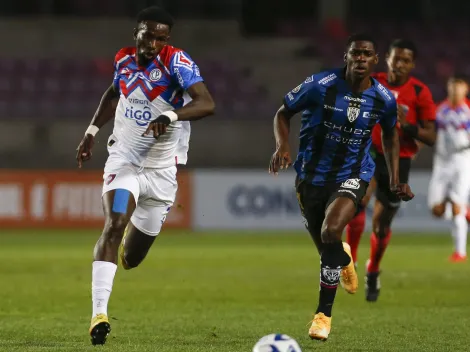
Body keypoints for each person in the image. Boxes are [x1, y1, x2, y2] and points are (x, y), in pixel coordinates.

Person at [75, 6, 215, 345]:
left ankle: (125, 241)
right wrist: (92, 131)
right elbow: (114, 93)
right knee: (114, 223)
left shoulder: (176, 62)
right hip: (124, 163)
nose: (153, 42)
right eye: (148, 35)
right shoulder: (123, 59)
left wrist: (170, 115)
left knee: (132, 258)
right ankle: (98, 314)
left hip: (162, 174)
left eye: (161, 38)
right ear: (137, 32)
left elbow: (206, 103)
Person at [269, 33, 414, 341]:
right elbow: (283, 112)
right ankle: (344, 258)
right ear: (347, 57)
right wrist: (282, 146)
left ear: (375, 61)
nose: (360, 58)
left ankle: (323, 316)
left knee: (331, 231)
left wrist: (394, 178)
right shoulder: (319, 85)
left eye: (366, 54)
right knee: (328, 251)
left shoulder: (383, 99)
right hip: (310, 177)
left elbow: (391, 135)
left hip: (354, 173)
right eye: (355, 53)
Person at [344, 39, 436, 302]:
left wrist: (407, 126)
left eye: (406, 60)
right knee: (358, 200)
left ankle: (373, 269)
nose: (400, 64)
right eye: (396, 58)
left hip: (399, 161)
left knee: (381, 227)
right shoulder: (373, 82)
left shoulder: (419, 91)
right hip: (369, 152)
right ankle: (351, 262)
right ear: (387, 58)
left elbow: (431, 137)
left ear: (412, 64)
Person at [428, 75, 470, 262]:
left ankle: (459, 252)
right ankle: (465, 210)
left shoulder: (468, 110)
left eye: (459, 87)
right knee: (436, 209)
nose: (455, 90)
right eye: (452, 86)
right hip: (441, 162)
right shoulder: (440, 110)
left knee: (456, 208)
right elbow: (430, 132)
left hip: (462, 161)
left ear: (465, 89)